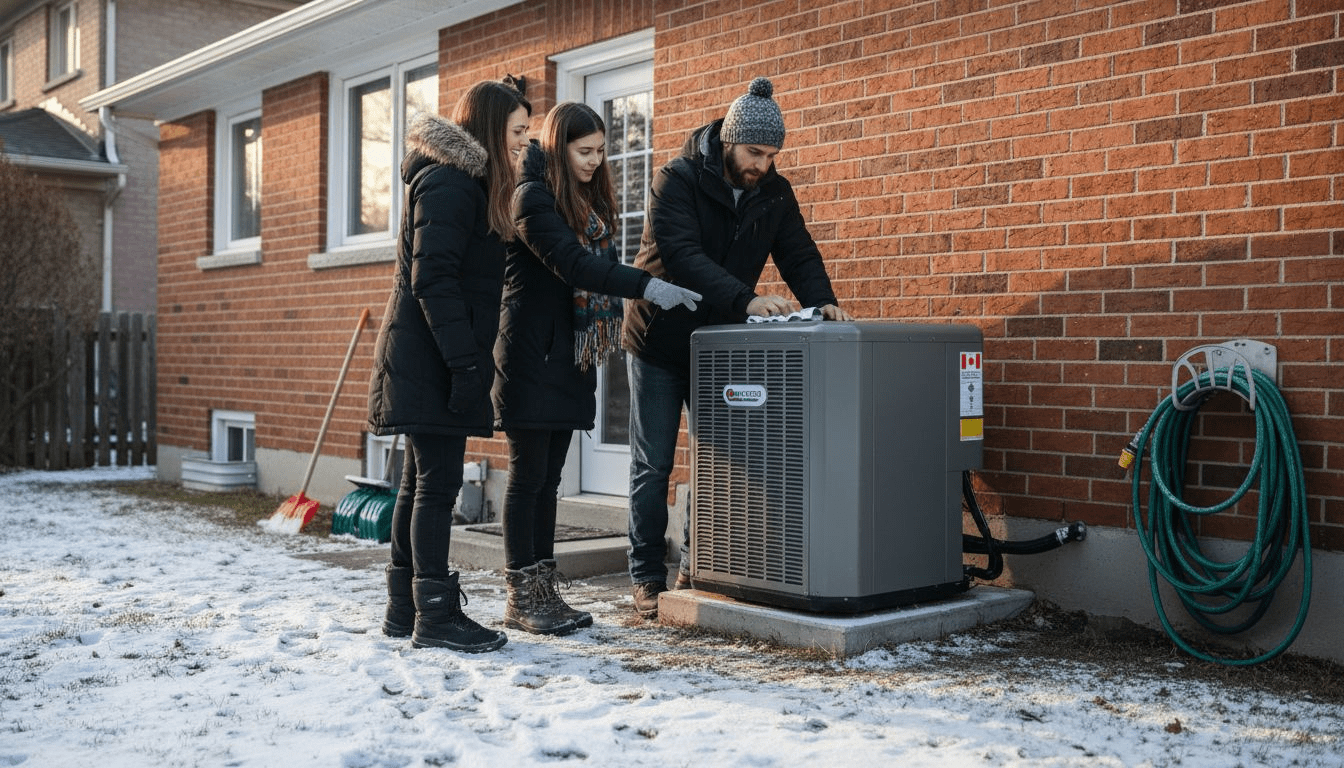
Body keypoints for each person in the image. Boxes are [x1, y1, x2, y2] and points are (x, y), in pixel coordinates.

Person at [622, 77, 855, 619]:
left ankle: (696, 567)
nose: (763, 165)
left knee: (722, 464)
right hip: (659, 338)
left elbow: (798, 252)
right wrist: (745, 300)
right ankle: (646, 577)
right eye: (755, 153)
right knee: (653, 466)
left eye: (772, 155)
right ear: (729, 141)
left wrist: (823, 302)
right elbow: (681, 256)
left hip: (718, 348)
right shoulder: (675, 180)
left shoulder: (774, 192)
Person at [493, 101, 701, 635]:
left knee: (550, 481)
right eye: (584, 151)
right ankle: (523, 593)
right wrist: (646, 285)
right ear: (558, 148)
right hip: (529, 356)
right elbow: (577, 264)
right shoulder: (531, 198)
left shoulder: (582, 201)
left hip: (566, 358)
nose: (595, 160)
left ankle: (543, 588)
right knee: (528, 476)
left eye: (602, 150)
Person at [366, 79, 532, 653]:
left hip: (430, 356)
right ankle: (434, 616)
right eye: (516, 133)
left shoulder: (461, 183)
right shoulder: (451, 183)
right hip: (433, 359)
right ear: (489, 128)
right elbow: (432, 281)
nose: (522, 144)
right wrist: (467, 367)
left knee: (420, 484)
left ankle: (403, 609)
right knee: (435, 488)